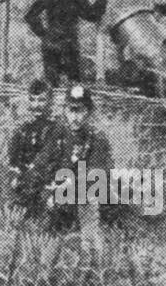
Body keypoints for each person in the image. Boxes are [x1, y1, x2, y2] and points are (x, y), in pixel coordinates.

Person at [39, 84, 114, 241]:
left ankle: (88, 239)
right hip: (59, 194)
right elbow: (43, 161)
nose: (75, 117)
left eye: (80, 111)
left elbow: (96, 177)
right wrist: (48, 184)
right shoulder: (57, 134)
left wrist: (66, 186)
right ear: (65, 110)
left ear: (88, 112)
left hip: (83, 196)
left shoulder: (96, 138)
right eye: (71, 110)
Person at [25, 0, 107, 86]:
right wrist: (101, 1)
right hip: (69, 43)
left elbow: (30, 16)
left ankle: (50, 104)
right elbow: (91, 16)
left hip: (50, 43)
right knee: (74, 84)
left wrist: (43, 33)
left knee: (51, 83)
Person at [8, 83, 66, 219]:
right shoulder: (23, 130)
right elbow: (14, 157)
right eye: (33, 100)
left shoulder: (57, 129)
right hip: (27, 181)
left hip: (48, 181)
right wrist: (16, 173)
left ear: (50, 102)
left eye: (41, 100)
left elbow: (59, 160)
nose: (36, 105)